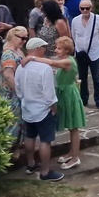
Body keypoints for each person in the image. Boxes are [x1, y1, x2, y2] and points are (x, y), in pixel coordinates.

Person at [23, 36, 86, 171]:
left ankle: (75, 158)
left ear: (67, 50)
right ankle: (71, 153)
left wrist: (31, 58)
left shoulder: (68, 61)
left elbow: (50, 62)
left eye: (59, 48)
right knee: (70, 126)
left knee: (74, 127)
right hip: (64, 94)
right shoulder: (65, 61)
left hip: (69, 95)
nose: (56, 50)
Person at [16, 38, 63, 182]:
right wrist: (53, 106)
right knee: (45, 140)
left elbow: (18, 89)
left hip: (27, 107)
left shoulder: (20, 67)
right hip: (42, 109)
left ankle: (31, 164)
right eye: (43, 47)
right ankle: (45, 171)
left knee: (30, 137)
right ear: (38, 49)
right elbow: (49, 92)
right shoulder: (44, 68)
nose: (44, 49)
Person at [0, 26, 27, 157]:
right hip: (10, 94)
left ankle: (16, 148)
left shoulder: (18, 50)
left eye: (26, 38)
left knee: (18, 122)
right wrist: (20, 92)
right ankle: (7, 151)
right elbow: (9, 76)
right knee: (11, 123)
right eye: (22, 38)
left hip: (17, 92)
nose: (24, 41)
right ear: (13, 37)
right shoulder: (8, 53)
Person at [71, 0, 99, 109]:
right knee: (82, 77)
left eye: (87, 8)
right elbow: (74, 35)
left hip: (95, 53)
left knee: (96, 78)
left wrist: (97, 46)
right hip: (81, 53)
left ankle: (98, 99)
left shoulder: (98, 20)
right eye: (82, 8)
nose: (85, 10)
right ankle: (84, 98)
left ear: (91, 8)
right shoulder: (75, 21)